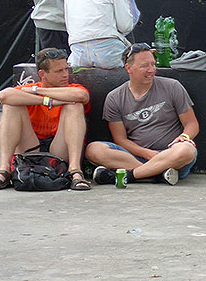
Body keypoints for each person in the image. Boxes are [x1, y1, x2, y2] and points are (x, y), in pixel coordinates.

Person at [85, 44, 200, 185]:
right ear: (128, 68)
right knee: (93, 149)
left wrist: (184, 137)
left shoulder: (172, 86)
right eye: (144, 66)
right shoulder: (115, 97)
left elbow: (192, 124)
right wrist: (147, 154)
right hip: (134, 157)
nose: (151, 70)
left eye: (153, 64)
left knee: (187, 150)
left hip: (171, 155)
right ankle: (156, 174)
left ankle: (130, 176)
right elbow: (120, 140)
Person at [0, 47, 91, 191]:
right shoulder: (29, 88)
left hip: (59, 150)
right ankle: (4, 170)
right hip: (32, 147)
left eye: (66, 69)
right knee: (11, 105)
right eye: (59, 71)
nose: (65, 74)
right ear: (42, 74)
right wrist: (45, 101)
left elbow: (81, 96)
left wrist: (39, 92)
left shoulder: (63, 88)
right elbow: (4, 96)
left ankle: (75, 171)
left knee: (74, 105)